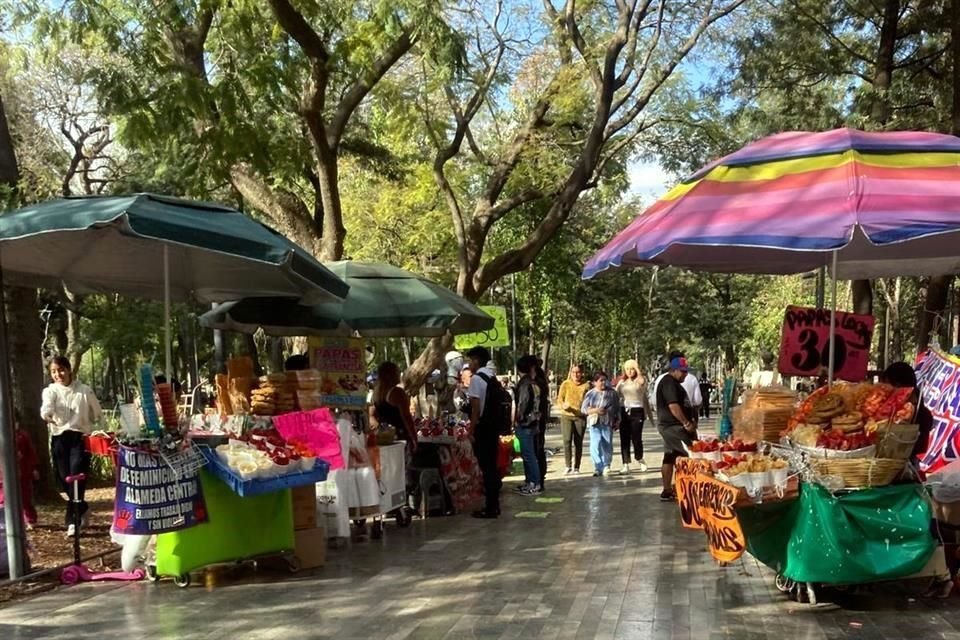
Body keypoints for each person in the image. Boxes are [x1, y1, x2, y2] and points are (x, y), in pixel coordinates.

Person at [40, 356, 102, 536]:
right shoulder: (50, 391)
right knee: (63, 478)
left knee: (76, 477)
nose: (58, 374)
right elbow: (46, 407)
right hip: (59, 438)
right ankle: (83, 507)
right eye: (54, 371)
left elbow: (97, 413)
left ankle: (72, 521)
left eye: (61, 370)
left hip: (79, 437)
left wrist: (98, 431)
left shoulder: (84, 390)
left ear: (68, 370)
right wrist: (47, 415)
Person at [466, 346, 504, 518]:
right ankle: (494, 504)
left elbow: (475, 409)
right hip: (494, 426)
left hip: (483, 427)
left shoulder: (476, 379)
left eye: (470, 360)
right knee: (492, 466)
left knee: (486, 467)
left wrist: (471, 430)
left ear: (476, 360)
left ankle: (490, 507)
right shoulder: (491, 377)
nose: (468, 364)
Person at [655, 356, 697, 501]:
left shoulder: (672, 382)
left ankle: (667, 490)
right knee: (691, 455)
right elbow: (673, 406)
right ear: (673, 370)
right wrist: (686, 423)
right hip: (673, 427)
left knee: (670, 456)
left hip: (670, 426)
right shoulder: (669, 383)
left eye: (686, 371)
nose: (685, 374)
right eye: (683, 372)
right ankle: (690, 489)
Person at [369, 362, 418, 454]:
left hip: (385, 438)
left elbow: (371, 415)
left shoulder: (377, 393)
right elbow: (406, 417)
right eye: (397, 371)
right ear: (391, 375)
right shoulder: (397, 392)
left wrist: (380, 429)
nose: (400, 374)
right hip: (400, 437)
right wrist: (414, 438)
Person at [0, 420, 39, 529]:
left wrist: (34, 469)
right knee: (3, 497)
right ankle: (5, 521)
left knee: (25, 497)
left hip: (22, 472)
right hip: (3, 473)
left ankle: (30, 519)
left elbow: (30, 454)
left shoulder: (22, 436)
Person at [513, 355, 543, 495]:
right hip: (534, 422)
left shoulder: (524, 384)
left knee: (528, 455)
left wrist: (519, 418)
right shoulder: (534, 383)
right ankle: (531, 482)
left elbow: (523, 404)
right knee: (529, 454)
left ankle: (534, 483)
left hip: (526, 423)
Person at [616, 359, 651, 474]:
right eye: (627, 369)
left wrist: (637, 369)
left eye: (632, 369)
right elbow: (616, 395)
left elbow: (641, 382)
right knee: (624, 438)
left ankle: (640, 458)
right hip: (624, 411)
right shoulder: (622, 382)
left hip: (637, 411)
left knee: (636, 438)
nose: (629, 371)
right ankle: (625, 463)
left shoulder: (640, 381)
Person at [581, 372, 619, 477]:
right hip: (594, 422)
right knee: (595, 444)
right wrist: (595, 410)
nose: (603, 382)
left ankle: (607, 465)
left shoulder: (612, 393)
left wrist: (617, 420)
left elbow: (617, 408)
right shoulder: (590, 394)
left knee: (607, 444)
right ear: (594, 382)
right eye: (600, 380)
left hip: (607, 422)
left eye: (605, 380)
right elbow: (583, 409)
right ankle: (598, 466)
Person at [555, 364, 589, 474]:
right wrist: (563, 405)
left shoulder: (586, 386)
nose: (576, 374)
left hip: (580, 417)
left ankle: (577, 466)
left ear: (581, 373)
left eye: (578, 372)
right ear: (570, 373)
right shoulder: (565, 384)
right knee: (567, 440)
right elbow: (559, 399)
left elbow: (589, 401)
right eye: (573, 372)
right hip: (566, 416)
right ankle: (567, 465)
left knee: (578, 442)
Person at [534, 361, 550, 490]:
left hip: (536, 421)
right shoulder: (542, 381)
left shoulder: (536, 382)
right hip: (540, 420)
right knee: (539, 448)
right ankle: (540, 476)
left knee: (536, 449)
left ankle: (537, 478)